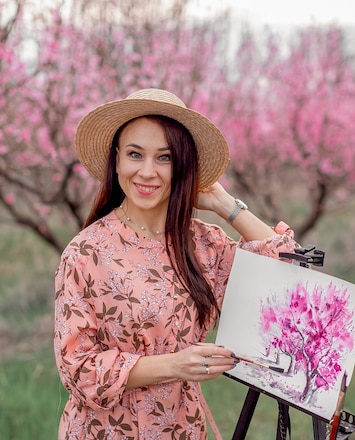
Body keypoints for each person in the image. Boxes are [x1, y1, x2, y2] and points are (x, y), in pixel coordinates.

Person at [54, 88, 300, 439]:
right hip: (106, 430)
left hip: (181, 427)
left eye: (165, 158)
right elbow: (77, 369)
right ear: (117, 160)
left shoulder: (203, 244)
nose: (147, 172)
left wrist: (223, 203)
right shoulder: (86, 252)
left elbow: (291, 276)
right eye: (135, 154)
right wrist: (175, 365)